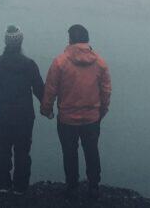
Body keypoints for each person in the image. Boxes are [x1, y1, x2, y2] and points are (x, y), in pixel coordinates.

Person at [40, 24, 112, 200]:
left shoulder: (60, 62)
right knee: (92, 151)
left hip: (67, 119)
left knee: (70, 153)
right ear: (87, 40)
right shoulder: (100, 63)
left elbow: (50, 89)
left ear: (70, 39)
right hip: (91, 118)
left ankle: (72, 187)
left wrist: (46, 109)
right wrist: (102, 111)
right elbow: (106, 91)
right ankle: (94, 187)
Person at [0, 25, 44, 196]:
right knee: (22, 150)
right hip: (24, 116)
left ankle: (4, 183)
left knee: (4, 149)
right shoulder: (29, 65)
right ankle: (20, 186)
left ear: (6, 42)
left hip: (2, 114)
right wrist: (47, 107)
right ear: (20, 42)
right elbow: (39, 89)